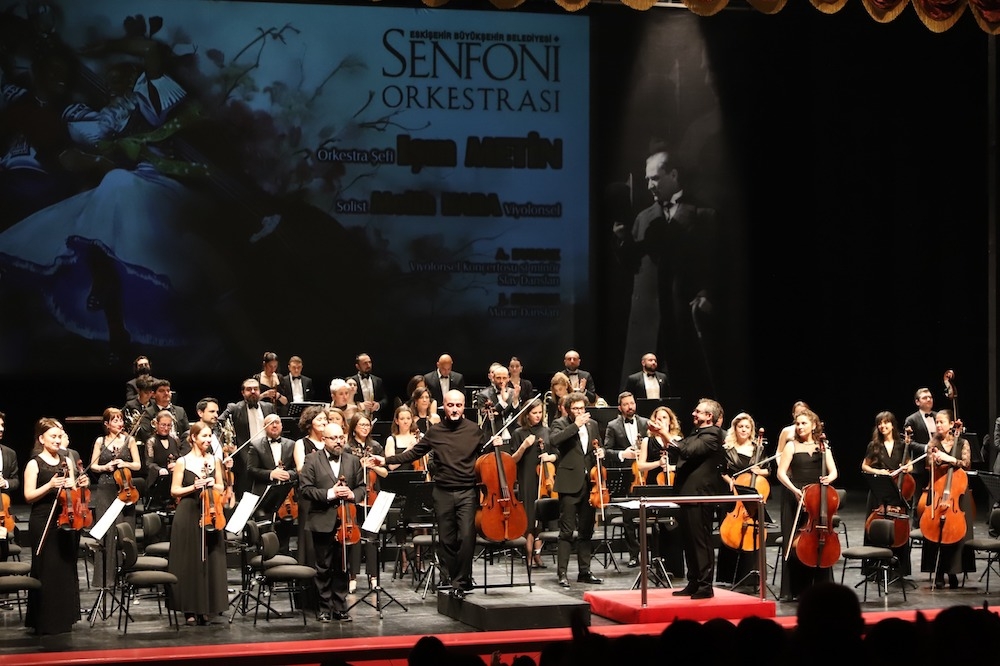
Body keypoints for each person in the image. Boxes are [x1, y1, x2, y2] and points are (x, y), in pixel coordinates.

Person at [613, 145, 719, 401]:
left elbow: (716, 264)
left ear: (673, 175)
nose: (650, 185)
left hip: (682, 316)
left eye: (655, 178)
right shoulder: (644, 218)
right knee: (640, 392)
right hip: (648, 320)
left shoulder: (703, 215)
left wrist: (707, 294)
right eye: (647, 179)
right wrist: (623, 241)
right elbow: (632, 267)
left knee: (686, 387)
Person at [372, 389, 488, 599]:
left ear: (464, 406)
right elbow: (413, 453)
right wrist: (386, 460)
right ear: (444, 406)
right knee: (446, 540)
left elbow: (486, 459)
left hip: (467, 492)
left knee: (467, 537)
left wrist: (497, 446)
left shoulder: (474, 430)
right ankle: (454, 580)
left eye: (458, 405)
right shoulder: (435, 432)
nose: (454, 409)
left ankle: (461, 582)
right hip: (442, 492)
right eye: (450, 405)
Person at [24, 417, 89, 634]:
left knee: (64, 569)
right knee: (46, 569)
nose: (58, 440)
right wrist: (50, 485)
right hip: (42, 520)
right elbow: (28, 496)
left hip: (65, 519)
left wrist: (76, 484)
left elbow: (72, 492)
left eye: (60, 436)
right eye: (53, 436)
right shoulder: (34, 464)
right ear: (41, 438)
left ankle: (63, 619)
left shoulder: (67, 461)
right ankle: (45, 621)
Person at [298, 421, 366, 622]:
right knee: (323, 566)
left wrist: (352, 494)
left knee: (342, 565)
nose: (338, 441)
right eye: (333, 438)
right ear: (323, 439)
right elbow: (305, 489)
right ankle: (324, 607)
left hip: (347, 521)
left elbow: (362, 487)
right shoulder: (312, 460)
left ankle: (340, 607)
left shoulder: (353, 460)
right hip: (322, 520)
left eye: (341, 437)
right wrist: (330, 493)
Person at [167, 421, 228, 626]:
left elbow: (221, 487)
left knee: (211, 558)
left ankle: (207, 607)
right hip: (188, 512)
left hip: (211, 511)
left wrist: (212, 483)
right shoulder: (182, 461)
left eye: (210, 436)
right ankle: (189, 609)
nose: (208, 440)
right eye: (204, 436)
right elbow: (175, 490)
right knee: (189, 560)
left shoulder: (214, 460)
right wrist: (193, 486)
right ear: (193, 438)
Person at [775, 408, 838, 601]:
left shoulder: (823, 446)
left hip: (817, 499)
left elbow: (834, 472)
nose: (800, 427)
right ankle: (794, 589)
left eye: (804, 423)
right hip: (795, 497)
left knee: (818, 542)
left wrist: (828, 479)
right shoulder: (791, 446)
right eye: (797, 423)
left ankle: (821, 587)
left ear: (813, 425)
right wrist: (795, 490)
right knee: (794, 543)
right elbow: (781, 473)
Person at [666, 398, 725, 599]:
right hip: (688, 495)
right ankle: (693, 582)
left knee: (700, 541)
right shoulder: (697, 433)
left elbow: (687, 450)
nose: (693, 413)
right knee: (689, 541)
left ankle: (705, 585)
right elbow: (681, 448)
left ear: (709, 416)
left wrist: (665, 434)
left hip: (700, 495)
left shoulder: (713, 434)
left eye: (698, 411)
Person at [550, 391, 604, 588]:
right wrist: (576, 426)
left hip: (589, 484)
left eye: (582, 408)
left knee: (586, 531)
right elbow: (554, 441)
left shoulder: (593, 425)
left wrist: (602, 452)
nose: (580, 412)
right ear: (568, 410)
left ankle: (584, 571)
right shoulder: (560, 423)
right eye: (575, 409)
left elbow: (598, 446)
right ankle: (562, 573)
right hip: (569, 483)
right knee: (566, 531)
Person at [920, 409, 974, 589]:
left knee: (956, 532)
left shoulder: (963, 442)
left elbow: (966, 464)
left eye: (941, 422)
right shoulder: (933, 443)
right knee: (935, 532)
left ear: (952, 424)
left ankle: (953, 571)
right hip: (938, 493)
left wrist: (948, 458)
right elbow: (928, 464)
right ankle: (938, 572)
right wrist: (936, 460)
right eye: (936, 422)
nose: (938, 425)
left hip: (956, 494)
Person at [88, 407, 141, 587]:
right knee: (107, 531)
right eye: (115, 420)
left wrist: (124, 463)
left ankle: (125, 576)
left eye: (120, 419)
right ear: (107, 424)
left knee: (123, 531)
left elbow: (137, 465)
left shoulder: (129, 440)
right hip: (106, 488)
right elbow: (93, 465)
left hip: (125, 488)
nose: (119, 423)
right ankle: (105, 577)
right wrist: (105, 467)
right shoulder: (100, 441)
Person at [717, 412, 769, 587]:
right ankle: (728, 576)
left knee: (752, 532)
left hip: (752, 494)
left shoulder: (758, 449)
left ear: (751, 430)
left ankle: (750, 575)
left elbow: (768, 470)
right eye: (741, 427)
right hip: (733, 496)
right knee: (730, 533)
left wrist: (759, 472)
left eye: (747, 427)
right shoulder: (727, 449)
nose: (744, 430)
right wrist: (730, 481)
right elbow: (721, 471)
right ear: (735, 428)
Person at [860, 411, 913, 578]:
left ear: (892, 425)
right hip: (879, 490)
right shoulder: (874, 445)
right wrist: (879, 472)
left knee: (898, 528)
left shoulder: (902, 444)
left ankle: (898, 569)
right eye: (880, 423)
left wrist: (906, 468)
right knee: (876, 528)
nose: (883, 426)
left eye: (886, 422)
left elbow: (910, 465)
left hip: (897, 489)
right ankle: (874, 569)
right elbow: (864, 466)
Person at [602, 391, 649, 567]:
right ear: (620, 407)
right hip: (627, 477)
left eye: (632, 403)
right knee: (629, 518)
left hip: (646, 475)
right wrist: (623, 454)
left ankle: (651, 553)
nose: (630, 407)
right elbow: (607, 451)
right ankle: (634, 554)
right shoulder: (613, 426)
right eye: (626, 404)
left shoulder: (645, 423)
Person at [510, 399, 555, 569]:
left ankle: (538, 554)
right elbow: (512, 460)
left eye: (540, 412)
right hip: (527, 478)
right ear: (526, 414)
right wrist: (524, 446)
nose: (538, 416)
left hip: (544, 479)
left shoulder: (547, 431)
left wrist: (550, 457)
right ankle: (528, 555)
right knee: (529, 517)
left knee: (540, 518)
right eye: (534, 413)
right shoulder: (519, 433)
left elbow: (556, 453)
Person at [345, 412, 387, 592]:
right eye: (361, 424)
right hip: (355, 497)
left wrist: (373, 466)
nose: (365, 428)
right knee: (355, 538)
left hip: (373, 497)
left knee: (372, 539)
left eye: (367, 425)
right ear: (354, 427)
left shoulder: (375, 446)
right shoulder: (347, 448)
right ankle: (352, 577)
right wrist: (360, 466)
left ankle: (374, 577)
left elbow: (385, 472)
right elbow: (345, 473)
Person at [247, 413, 297, 553]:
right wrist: (271, 474)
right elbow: (251, 469)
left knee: (284, 534)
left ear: (281, 425)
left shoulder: (291, 444)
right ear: (264, 427)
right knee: (264, 535)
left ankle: (284, 561)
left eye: (277, 422)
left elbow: (297, 469)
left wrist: (289, 474)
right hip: (265, 496)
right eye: (270, 423)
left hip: (286, 497)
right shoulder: (256, 445)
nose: (274, 425)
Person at [220, 378, 276, 500]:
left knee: (267, 490)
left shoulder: (269, 407)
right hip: (245, 456)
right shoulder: (235, 408)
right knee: (246, 492)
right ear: (243, 393)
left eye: (256, 389)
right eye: (249, 389)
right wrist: (229, 443)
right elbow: (219, 422)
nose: (253, 391)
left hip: (267, 452)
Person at [136, 378, 189, 444]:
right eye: (162, 391)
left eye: (168, 390)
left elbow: (187, 433)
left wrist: (182, 448)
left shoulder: (180, 411)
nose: (166, 393)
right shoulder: (147, 413)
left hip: (180, 448)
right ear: (153, 395)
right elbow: (146, 436)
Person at [477, 363, 516, 444]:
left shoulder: (512, 392)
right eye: (498, 378)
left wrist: (516, 401)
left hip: (512, 436)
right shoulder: (484, 395)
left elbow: (518, 415)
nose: (501, 381)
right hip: (493, 436)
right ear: (493, 378)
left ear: (508, 378)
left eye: (504, 378)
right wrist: (502, 402)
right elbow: (487, 417)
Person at [0, 411, 20, 562]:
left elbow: (16, 481)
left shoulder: (9, 453)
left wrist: (5, 483)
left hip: (2, 512)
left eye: (2, 425)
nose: (1, 429)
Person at [349, 352, 389, 417]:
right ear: (357, 366)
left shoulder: (378, 380)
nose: (368, 365)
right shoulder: (351, 381)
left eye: (370, 362)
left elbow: (384, 399)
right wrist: (360, 405)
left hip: (374, 418)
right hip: (357, 417)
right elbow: (347, 401)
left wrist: (378, 405)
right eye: (365, 363)